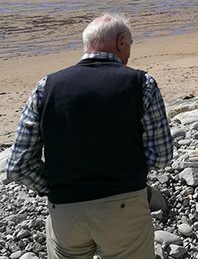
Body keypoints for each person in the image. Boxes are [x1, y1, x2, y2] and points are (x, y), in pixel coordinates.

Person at [5, 13, 173, 258]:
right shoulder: (142, 84)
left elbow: (18, 166)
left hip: (65, 210)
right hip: (123, 205)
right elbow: (161, 156)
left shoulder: (46, 87)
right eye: (130, 46)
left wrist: (55, 186)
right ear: (120, 42)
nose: (129, 54)